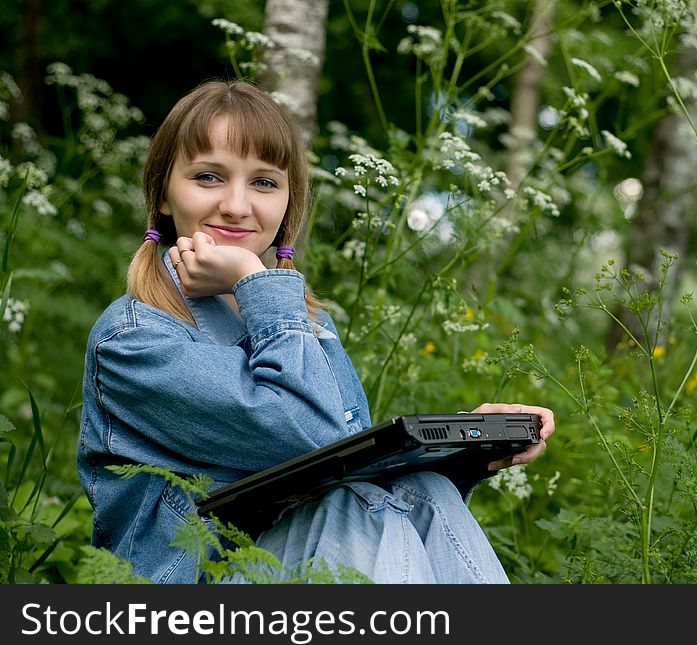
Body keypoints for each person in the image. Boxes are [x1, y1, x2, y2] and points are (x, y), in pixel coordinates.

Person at [77, 79, 555, 584]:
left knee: (427, 495)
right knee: (354, 509)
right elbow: (309, 436)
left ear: (288, 204)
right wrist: (254, 279)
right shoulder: (134, 340)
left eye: (264, 183)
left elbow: (343, 467)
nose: (238, 206)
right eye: (209, 177)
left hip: (300, 569)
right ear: (163, 196)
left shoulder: (308, 324)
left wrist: (466, 452)